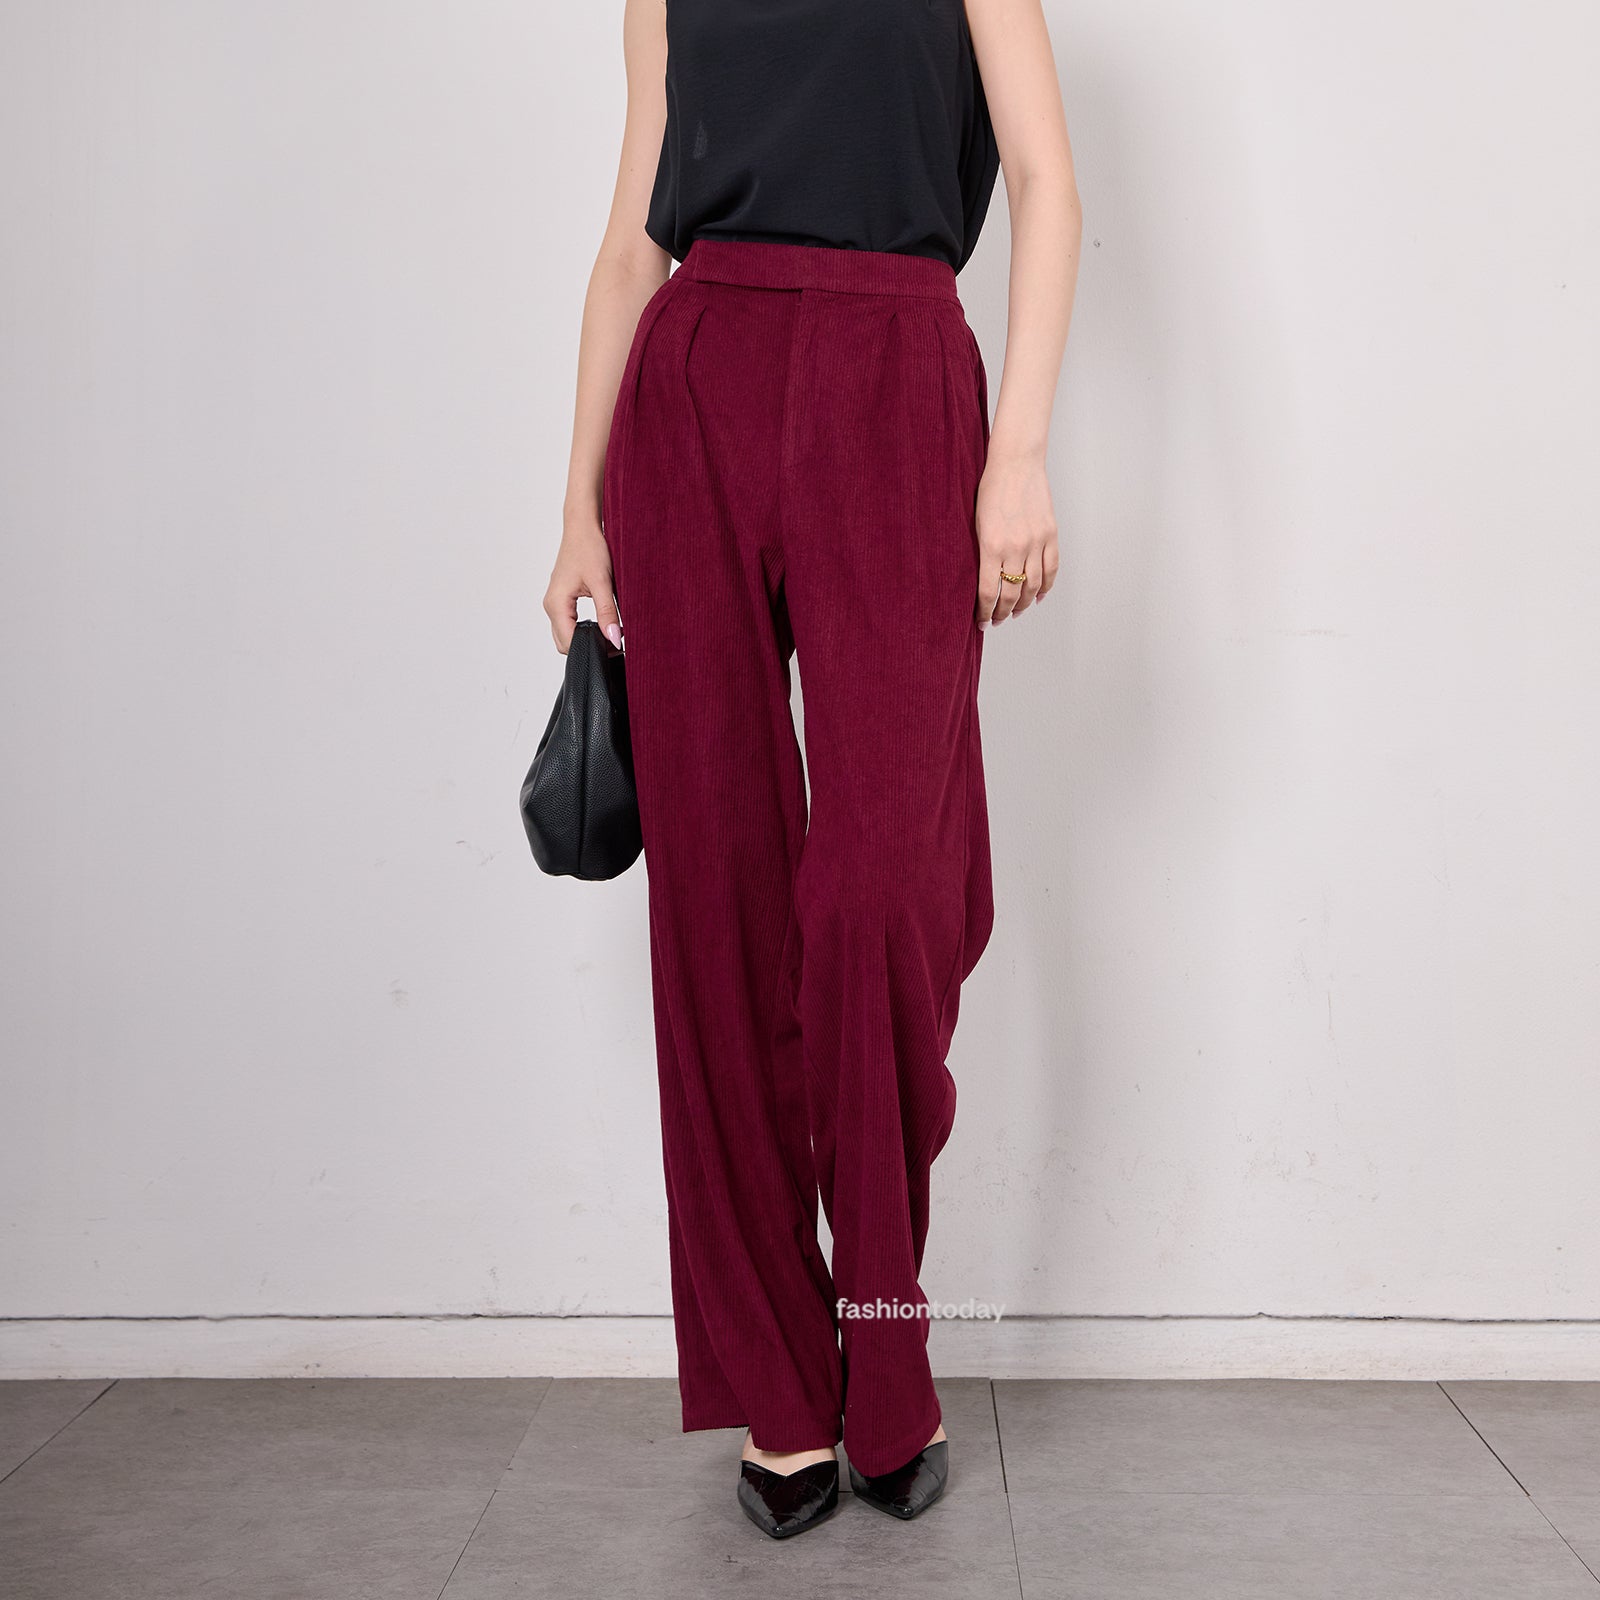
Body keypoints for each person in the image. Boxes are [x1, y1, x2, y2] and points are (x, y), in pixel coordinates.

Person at [544, 0, 1080, 1541]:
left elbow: (1049, 184)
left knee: (881, 897)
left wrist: (1019, 451)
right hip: (695, 386)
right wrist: (577, 508)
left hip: (897, 373)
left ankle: (884, 1339)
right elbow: (633, 242)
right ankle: (780, 1387)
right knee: (717, 901)